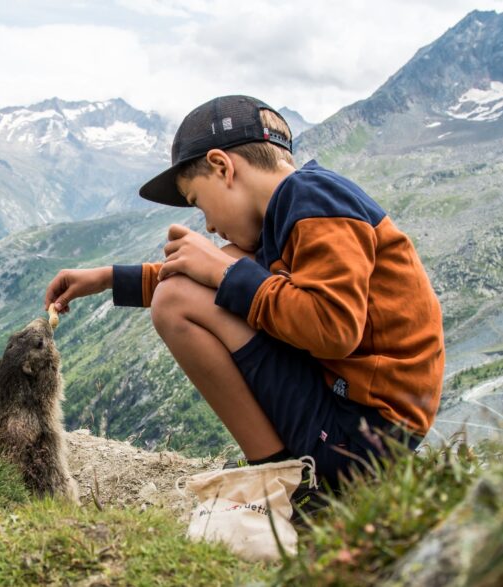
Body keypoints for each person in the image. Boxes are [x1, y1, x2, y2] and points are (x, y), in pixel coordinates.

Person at [43, 95, 444, 493]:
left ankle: (288, 483)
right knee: (214, 274)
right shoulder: (291, 213)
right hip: (357, 426)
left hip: (360, 440)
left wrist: (226, 270)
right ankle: (286, 473)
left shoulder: (314, 200)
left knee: (175, 302)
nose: (210, 226)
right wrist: (109, 279)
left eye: (198, 202)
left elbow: (335, 329)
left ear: (222, 166)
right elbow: (210, 275)